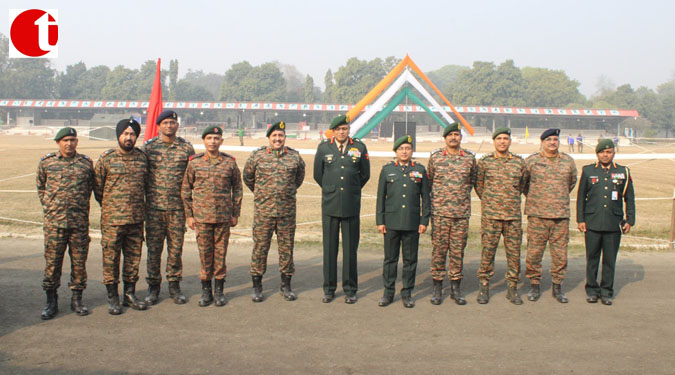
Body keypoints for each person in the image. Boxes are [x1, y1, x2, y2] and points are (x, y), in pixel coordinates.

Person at [243, 121, 305, 302]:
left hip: (286, 212)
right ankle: (257, 286)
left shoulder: (294, 157)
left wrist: (286, 192)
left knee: (286, 249)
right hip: (264, 212)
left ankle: (286, 286)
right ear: (269, 138)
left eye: (281, 136)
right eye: (275, 136)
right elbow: (248, 178)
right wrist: (262, 194)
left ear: (285, 137)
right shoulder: (257, 157)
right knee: (260, 248)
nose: (278, 139)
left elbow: (298, 179)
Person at [36, 127, 94, 319]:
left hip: (78, 224)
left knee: (79, 264)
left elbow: (91, 190)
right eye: (65, 140)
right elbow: (41, 188)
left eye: (73, 140)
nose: (69, 143)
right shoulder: (47, 163)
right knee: (52, 264)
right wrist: (53, 209)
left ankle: (77, 299)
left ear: (77, 142)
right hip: (55, 225)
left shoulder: (85, 164)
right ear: (58, 142)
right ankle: (51, 301)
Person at [181, 125, 242, 307]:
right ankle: (206, 291)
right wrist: (189, 215)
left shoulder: (229, 162)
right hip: (202, 218)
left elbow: (237, 188)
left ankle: (219, 291)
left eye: (216, 139)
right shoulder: (194, 162)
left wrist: (235, 213)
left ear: (221, 141)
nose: (213, 142)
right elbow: (186, 189)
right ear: (204, 141)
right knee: (205, 255)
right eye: (209, 138)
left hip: (223, 217)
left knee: (221, 255)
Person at [313, 114, 370, 304]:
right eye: (338, 129)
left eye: (344, 129)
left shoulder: (359, 147)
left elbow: (365, 174)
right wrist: (332, 189)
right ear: (333, 131)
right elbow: (318, 175)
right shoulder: (324, 148)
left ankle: (350, 289)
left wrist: (351, 191)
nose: (341, 132)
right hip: (330, 204)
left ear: (349, 130)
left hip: (351, 205)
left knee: (350, 250)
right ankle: (329, 289)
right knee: (329, 249)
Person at [94, 119, 148, 315]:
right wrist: (111, 207)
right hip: (113, 221)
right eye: (125, 133)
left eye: (132, 134)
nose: (128, 137)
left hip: (135, 219)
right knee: (111, 259)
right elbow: (98, 188)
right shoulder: (106, 159)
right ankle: (112, 297)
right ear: (118, 135)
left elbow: (146, 185)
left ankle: (129, 294)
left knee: (133, 259)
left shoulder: (142, 158)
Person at [142, 110, 194, 305]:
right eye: (165, 123)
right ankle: (153, 287)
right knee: (153, 250)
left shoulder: (186, 148)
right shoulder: (149, 148)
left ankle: (174, 286)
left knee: (175, 250)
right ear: (159, 126)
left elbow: (191, 178)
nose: (169, 126)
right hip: (154, 209)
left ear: (177, 125)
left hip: (177, 210)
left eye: (172, 122)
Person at [576, 139, 635, 305]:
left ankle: (607, 292)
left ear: (613, 153)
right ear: (597, 154)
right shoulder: (588, 171)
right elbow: (581, 197)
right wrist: (581, 219)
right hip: (593, 222)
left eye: (608, 152)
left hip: (612, 222)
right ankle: (592, 290)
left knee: (609, 259)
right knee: (592, 258)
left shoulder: (623, 172)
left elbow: (629, 198)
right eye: (602, 152)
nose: (605, 155)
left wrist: (630, 220)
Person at [523, 128, 577, 303]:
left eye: (555, 139)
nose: (552, 142)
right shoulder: (531, 161)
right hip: (537, 215)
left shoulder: (568, 162)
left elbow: (571, 183)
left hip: (560, 215)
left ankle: (557, 286)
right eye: (549, 140)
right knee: (534, 253)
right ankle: (534, 285)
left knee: (560, 254)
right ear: (542, 142)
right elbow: (524, 185)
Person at [375, 135, 430, 308]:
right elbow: (380, 198)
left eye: (407, 148)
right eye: (401, 149)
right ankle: (388, 292)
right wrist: (380, 220)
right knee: (390, 259)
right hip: (391, 222)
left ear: (412, 151)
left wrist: (424, 220)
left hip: (412, 223)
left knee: (410, 260)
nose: (404, 151)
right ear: (395, 151)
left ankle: (407, 292)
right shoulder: (387, 170)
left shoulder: (420, 170)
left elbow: (426, 198)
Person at [475, 127, 527, 305]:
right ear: (494, 141)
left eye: (506, 138)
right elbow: (479, 185)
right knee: (487, 252)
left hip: (512, 216)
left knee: (514, 254)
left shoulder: (519, 163)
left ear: (510, 141)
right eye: (499, 138)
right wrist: (491, 201)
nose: (503, 141)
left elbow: (522, 185)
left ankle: (512, 288)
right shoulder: (485, 162)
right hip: (491, 216)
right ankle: (484, 286)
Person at [427, 123, 476, 305]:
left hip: (461, 214)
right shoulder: (436, 158)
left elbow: (472, 181)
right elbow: (429, 181)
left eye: (457, 134)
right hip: (440, 214)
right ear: (445, 138)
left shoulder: (469, 159)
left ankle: (456, 288)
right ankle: (437, 288)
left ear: (461, 138)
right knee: (439, 252)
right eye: (450, 135)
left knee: (457, 252)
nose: (453, 138)